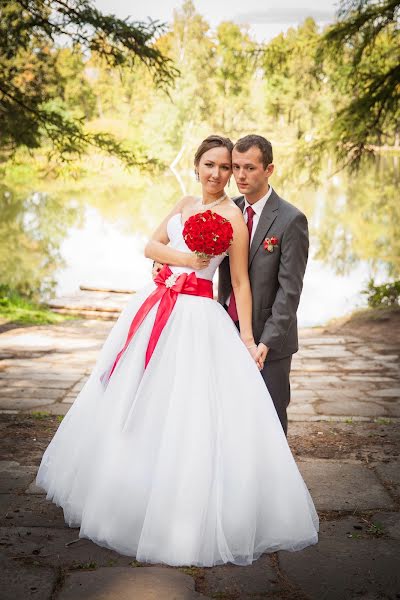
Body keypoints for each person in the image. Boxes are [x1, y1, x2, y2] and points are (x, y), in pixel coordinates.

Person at [36, 135, 318, 568]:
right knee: (139, 397)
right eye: (213, 165)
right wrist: (178, 263)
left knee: (195, 410)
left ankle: (198, 509)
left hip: (201, 318)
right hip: (157, 308)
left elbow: (240, 282)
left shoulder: (236, 218)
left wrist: (247, 338)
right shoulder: (184, 201)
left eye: (228, 168)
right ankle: (126, 493)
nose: (220, 174)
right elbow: (150, 246)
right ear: (196, 165)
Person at [219, 135, 309, 435]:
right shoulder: (227, 210)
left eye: (250, 168)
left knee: (269, 417)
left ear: (269, 169)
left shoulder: (291, 219)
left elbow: (290, 291)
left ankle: (276, 481)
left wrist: (265, 342)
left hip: (271, 342)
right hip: (226, 331)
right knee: (228, 412)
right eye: (236, 167)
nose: (240, 176)